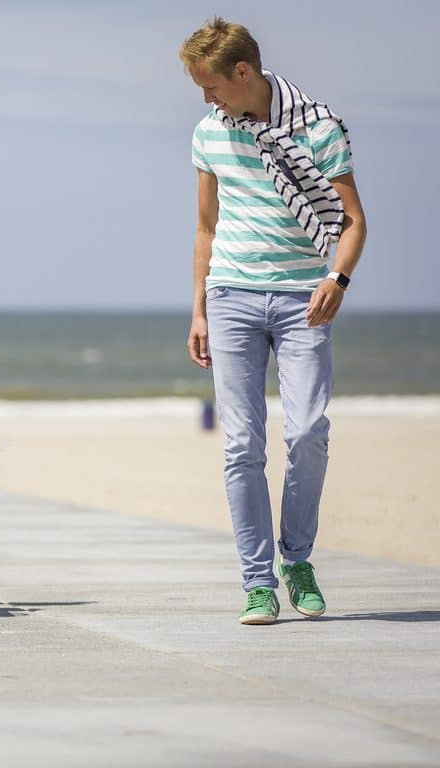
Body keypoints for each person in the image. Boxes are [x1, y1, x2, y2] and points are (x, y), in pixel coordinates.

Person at [179, 18, 367, 625]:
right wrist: (200, 309)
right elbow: (206, 228)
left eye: (212, 86)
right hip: (231, 295)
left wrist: (336, 279)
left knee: (308, 432)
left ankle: (298, 560)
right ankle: (257, 582)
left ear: (243, 72)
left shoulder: (318, 127)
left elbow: (353, 220)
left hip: (301, 299)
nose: (207, 100)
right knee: (241, 445)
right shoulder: (209, 133)